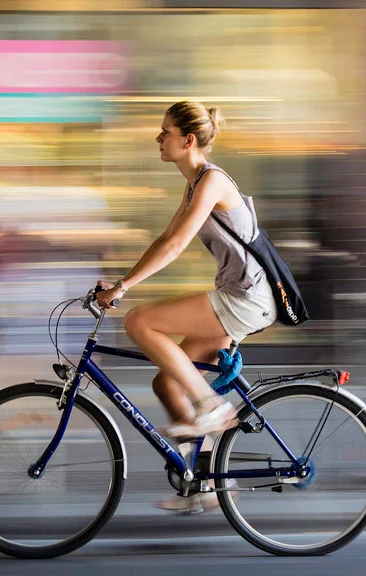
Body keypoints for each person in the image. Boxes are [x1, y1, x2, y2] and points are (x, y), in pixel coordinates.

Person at [95, 100, 277, 446]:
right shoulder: (196, 183)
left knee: (139, 322)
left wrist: (123, 287)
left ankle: (212, 406)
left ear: (188, 140)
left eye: (166, 131)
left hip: (244, 298)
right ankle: (204, 486)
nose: (158, 137)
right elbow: (165, 239)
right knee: (167, 384)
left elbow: (177, 245)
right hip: (240, 296)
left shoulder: (212, 182)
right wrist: (122, 282)